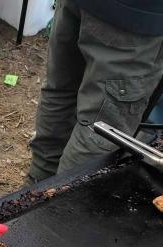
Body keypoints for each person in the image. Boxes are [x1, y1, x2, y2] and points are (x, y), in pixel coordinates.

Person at [28, 0, 163, 183]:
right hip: (136, 18)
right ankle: (57, 201)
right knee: (102, 126)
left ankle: (37, 186)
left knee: (61, 93)